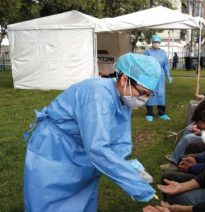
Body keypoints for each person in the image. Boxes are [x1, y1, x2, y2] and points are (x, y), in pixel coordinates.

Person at [23, 53, 162, 211]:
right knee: (49, 201)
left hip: (79, 149)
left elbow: (119, 140)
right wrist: (134, 184)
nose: (144, 100)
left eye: (149, 95)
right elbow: (97, 148)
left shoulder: (123, 98)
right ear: (124, 80)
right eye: (142, 93)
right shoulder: (97, 94)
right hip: (54, 150)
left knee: (81, 200)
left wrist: (127, 166)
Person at [144, 34, 172, 122]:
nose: (157, 44)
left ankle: (162, 113)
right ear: (152, 42)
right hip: (150, 76)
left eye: (158, 42)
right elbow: (143, 64)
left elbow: (166, 65)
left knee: (161, 94)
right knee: (150, 93)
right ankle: (149, 113)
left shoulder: (163, 52)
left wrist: (168, 75)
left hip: (160, 76)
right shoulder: (147, 52)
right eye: (155, 42)